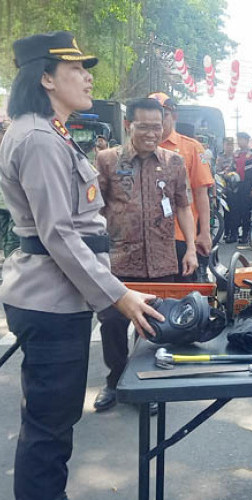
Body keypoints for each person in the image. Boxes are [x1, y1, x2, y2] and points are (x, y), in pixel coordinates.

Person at [0, 31, 161, 500]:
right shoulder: (38, 138)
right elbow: (59, 234)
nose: (88, 77)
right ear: (47, 78)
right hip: (51, 299)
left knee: (53, 421)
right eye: (76, 69)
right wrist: (119, 294)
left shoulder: (46, 131)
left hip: (56, 294)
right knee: (49, 426)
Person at [93, 98, 198, 414]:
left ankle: (146, 385)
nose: (152, 132)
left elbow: (183, 205)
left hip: (162, 262)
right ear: (128, 125)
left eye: (158, 126)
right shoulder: (106, 160)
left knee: (155, 328)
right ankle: (114, 381)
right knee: (111, 324)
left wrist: (191, 247)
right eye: (144, 126)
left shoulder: (174, 162)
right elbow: (94, 209)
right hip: (118, 262)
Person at [148, 92, 213, 280]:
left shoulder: (191, 148)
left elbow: (201, 194)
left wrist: (204, 233)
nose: (158, 121)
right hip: (146, 239)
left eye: (163, 115)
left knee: (182, 295)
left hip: (181, 236)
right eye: (152, 116)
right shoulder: (138, 149)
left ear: (174, 116)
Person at [229, 131, 252, 246]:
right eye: (238, 139)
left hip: (248, 187)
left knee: (246, 212)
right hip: (236, 186)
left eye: (241, 139)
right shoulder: (236, 154)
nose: (239, 142)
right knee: (234, 211)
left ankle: (245, 235)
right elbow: (232, 168)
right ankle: (233, 234)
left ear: (247, 141)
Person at [0, 119, 20, 259]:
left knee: (12, 242)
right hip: (3, 206)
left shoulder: (12, 148)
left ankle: (10, 265)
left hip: (13, 205)